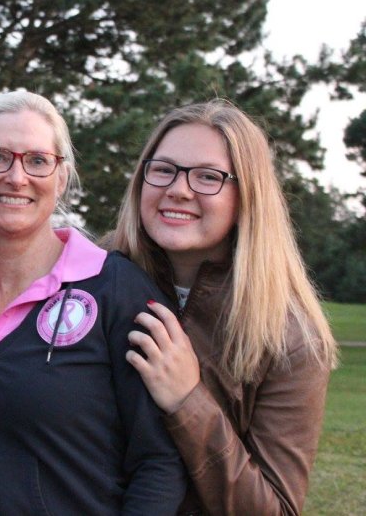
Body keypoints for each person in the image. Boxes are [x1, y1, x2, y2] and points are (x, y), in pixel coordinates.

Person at [0, 90, 186, 514]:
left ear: (61, 178)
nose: (16, 177)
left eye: (38, 161)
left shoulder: (115, 289)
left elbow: (160, 462)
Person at [109, 99, 338, 515]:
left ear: (247, 195)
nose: (178, 189)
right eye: (164, 169)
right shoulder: (88, 280)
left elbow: (276, 510)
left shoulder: (290, 337)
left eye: (208, 177)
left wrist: (188, 401)